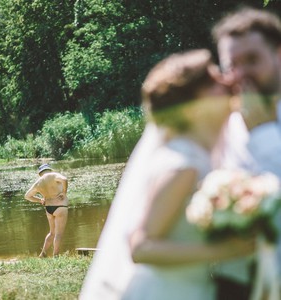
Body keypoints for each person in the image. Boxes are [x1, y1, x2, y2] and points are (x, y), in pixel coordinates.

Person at [79, 49, 254, 300]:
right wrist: (224, 250)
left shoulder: (198, 153)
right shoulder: (183, 164)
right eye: (215, 82)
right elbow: (141, 247)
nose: (228, 83)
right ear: (195, 107)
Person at [211, 6, 281, 300]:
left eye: (252, 60)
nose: (241, 75)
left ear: (278, 54)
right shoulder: (221, 125)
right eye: (231, 66)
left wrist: (264, 132)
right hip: (238, 280)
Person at [25, 163, 68, 257]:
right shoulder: (53, 175)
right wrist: (64, 192)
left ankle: (43, 254)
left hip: (48, 208)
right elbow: (64, 179)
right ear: (49, 170)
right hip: (60, 206)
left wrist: (40, 200)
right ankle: (56, 255)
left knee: (52, 233)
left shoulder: (38, 182)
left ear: (40, 173)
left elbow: (27, 196)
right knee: (59, 234)